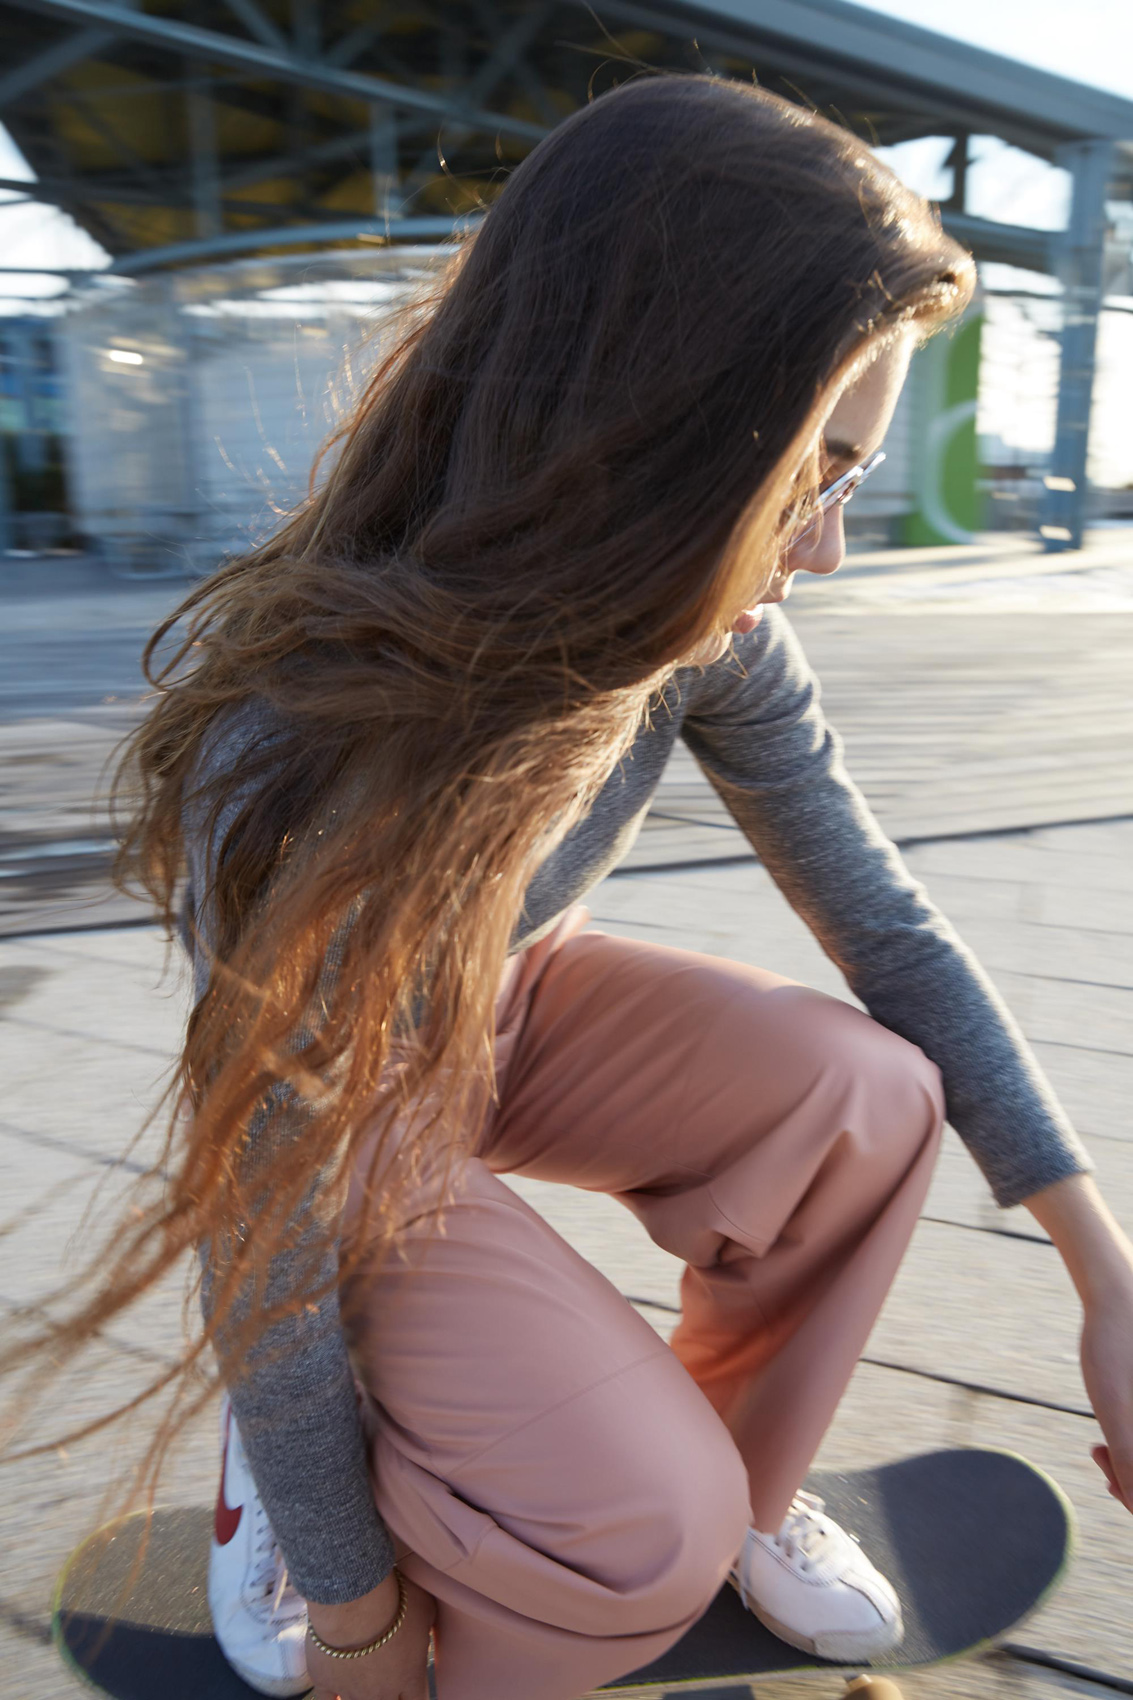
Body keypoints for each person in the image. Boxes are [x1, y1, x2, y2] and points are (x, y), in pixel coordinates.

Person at [97, 74, 1133, 1700]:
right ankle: (313, 1488)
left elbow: (886, 928)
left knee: (868, 1093)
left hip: (501, 1006)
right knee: (635, 1536)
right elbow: (262, 1203)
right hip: (334, 1120)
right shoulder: (290, 739)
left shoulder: (708, 637)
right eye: (810, 473)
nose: (823, 549)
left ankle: (736, 1492)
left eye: (851, 479)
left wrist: (1103, 1277)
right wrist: (360, 1619)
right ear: (648, 428)